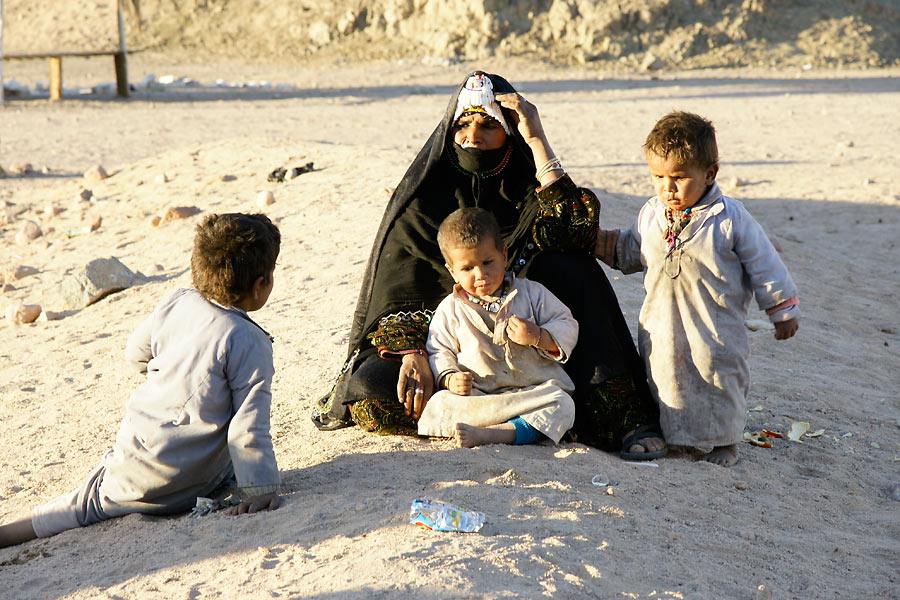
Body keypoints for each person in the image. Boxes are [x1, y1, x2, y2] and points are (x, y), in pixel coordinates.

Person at [313, 70, 664, 458]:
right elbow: (399, 290)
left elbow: (576, 231)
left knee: (571, 266)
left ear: (510, 133)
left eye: (488, 126)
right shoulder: (423, 202)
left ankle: (592, 419)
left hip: (534, 361)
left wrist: (537, 140)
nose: (473, 138)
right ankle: (515, 423)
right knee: (371, 391)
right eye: (463, 125)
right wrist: (415, 354)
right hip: (458, 363)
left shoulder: (527, 187)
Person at [0, 213, 282, 548]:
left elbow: (135, 354)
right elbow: (247, 427)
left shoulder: (178, 301)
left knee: (80, 506)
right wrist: (260, 489)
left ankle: (10, 533)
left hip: (134, 467)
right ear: (259, 285)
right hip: (186, 485)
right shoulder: (249, 340)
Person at [593, 111, 800, 467]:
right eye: (658, 177)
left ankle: (724, 443)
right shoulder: (652, 214)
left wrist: (782, 309)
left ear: (710, 174)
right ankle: (677, 438)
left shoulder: (729, 218)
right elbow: (630, 250)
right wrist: (595, 241)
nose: (667, 188)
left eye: (679, 177)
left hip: (715, 327)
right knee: (666, 376)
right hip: (663, 324)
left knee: (717, 380)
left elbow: (765, 264)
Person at [417, 207, 577, 448]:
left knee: (562, 404)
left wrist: (537, 336)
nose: (481, 274)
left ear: (504, 254)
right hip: (481, 397)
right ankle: (497, 428)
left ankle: (500, 433)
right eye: (468, 268)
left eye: (487, 262)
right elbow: (439, 349)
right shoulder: (451, 309)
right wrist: (450, 378)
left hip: (532, 393)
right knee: (441, 404)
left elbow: (566, 323)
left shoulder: (531, 293)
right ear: (452, 271)